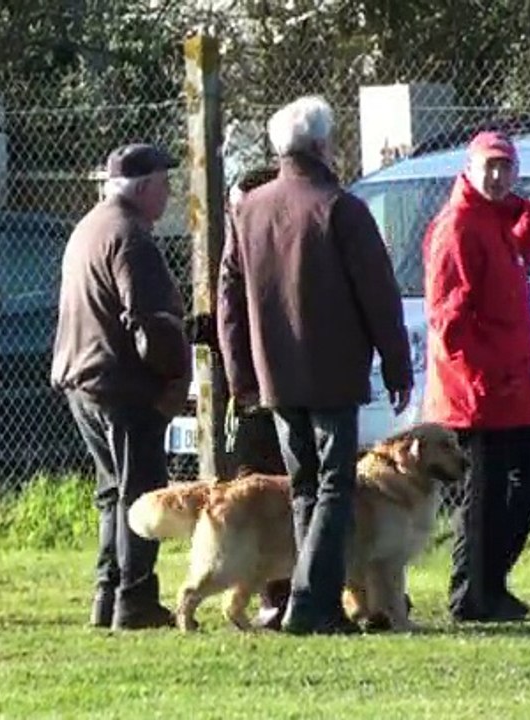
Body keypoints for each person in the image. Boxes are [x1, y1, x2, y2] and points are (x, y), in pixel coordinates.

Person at [217, 96, 413, 635]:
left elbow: (228, 299)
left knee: (304, 485)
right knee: (333, 485)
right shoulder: (341, 208)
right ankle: (313, 603)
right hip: (332, 373)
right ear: (324, 145)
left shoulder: (247, 210)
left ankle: (309, 597)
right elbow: (379, 294)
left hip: (275, 377)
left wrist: (241, 375)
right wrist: (397, 365)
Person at [51, 143, 192, 631]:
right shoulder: (131, 237)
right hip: (122, 385)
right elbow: (149, 322)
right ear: (146, 186)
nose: (169, 193)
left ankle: (106, 595)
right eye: (165, 183)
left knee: (113, 493)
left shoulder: (89, 227)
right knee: (139, 495)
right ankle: (134, 599)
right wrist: (173, 376)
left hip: (82, 379)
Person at [422, 130, 530, 623]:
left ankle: (488, 581)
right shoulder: (458, 226)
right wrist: (476, 376)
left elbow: (508, 263)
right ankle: (473, 595)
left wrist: (529, 218)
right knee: (484, 495)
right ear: (471, 170)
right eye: (490, 167)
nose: (498, 177)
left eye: (506, 168)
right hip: (476, 390)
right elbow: (447, 319)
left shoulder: (493, 222)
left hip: (510, 383)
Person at [225, 166, 293, 629]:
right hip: (254, 391)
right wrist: (239, 382)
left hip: (286, 384)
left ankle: (284, 592)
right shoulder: (237, 247)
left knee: (292, 491)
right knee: (258, 494)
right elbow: (230, 317)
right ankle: (265, 593)